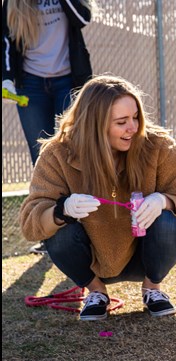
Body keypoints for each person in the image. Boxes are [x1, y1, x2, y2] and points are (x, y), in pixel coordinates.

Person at [19, 75, 176, 320]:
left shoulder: (158, 144)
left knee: (166, 222)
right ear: (95, 125)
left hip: (143, 255)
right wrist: (61, 210)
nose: (134, 127)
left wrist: (164, 201)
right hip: (92, 259)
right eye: (122, 122)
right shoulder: (57, 153)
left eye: (136, 117)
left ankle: (153, 289)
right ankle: (96, 292)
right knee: (58, 231)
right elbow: (30, 223)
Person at [2, 0, 97, 254]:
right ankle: (49, 233)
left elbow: (83, 18)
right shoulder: (13, 3)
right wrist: (6, 78)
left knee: (79, 152)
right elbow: (6, 39)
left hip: (69, 81)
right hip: (30, 86)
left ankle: (88, 229)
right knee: (41, 158)